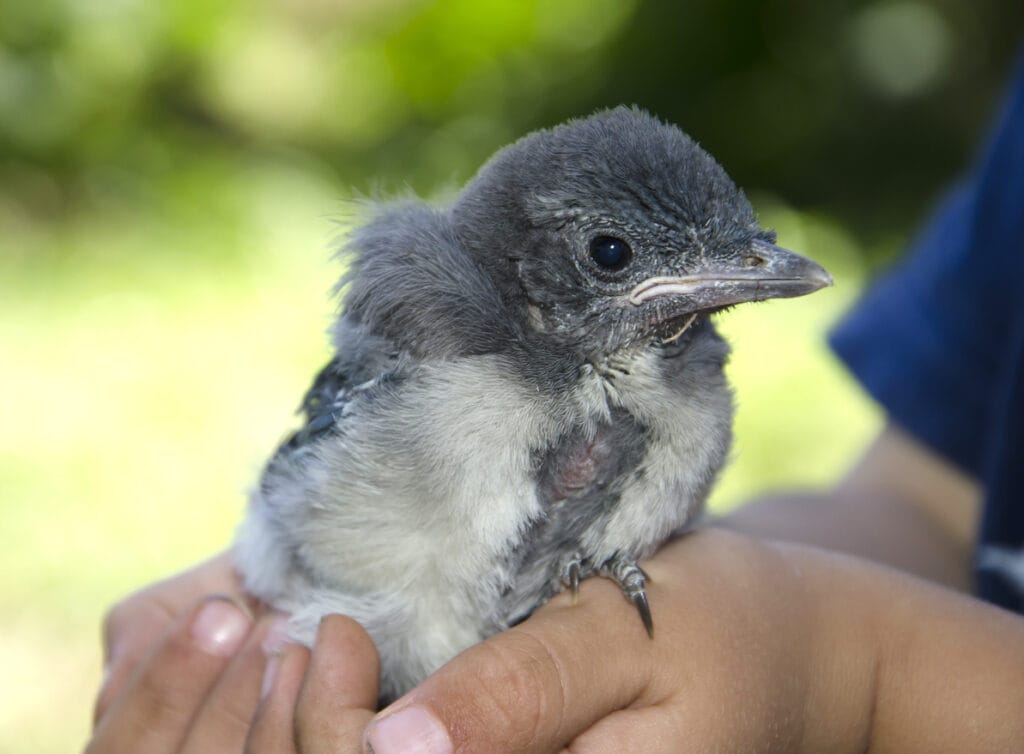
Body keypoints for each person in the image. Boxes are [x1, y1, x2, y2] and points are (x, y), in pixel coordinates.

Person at [86, 53, 1024, 754]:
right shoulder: (439, 342)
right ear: (529, 268)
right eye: (613, 256)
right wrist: (748, 625)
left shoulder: (686, 392)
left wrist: (844, 666)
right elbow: (929, 503)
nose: (725, 288)